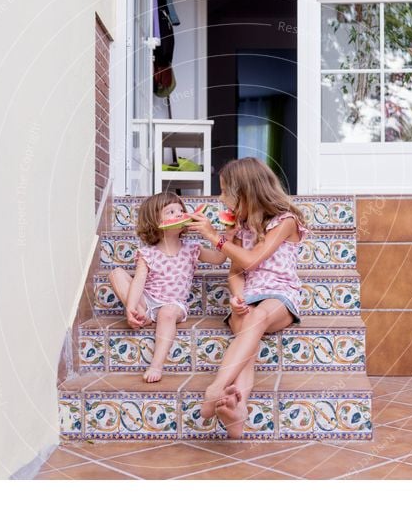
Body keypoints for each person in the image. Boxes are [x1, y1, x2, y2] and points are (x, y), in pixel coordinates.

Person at [188, 158, 307, 438]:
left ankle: (216, 387)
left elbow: (252, 261)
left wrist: (214, 236)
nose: (221, 198)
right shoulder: (240, 228)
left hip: (280, 295)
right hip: (249, 298)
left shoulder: (285, 222)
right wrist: (237, 297)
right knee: (248, 341)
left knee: (258, 316)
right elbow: (236, 272)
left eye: (226, 191)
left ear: (246, 192)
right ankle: (237, 415)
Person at [108, 193, 226, 382]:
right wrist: (131, 307)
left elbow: (220, 259)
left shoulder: (192, 248)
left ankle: (156, 365)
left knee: (167, 312)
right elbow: (138, 281)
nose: (179, 214)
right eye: (171, 211)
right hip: (148, 301)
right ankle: (140, 316)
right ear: (154, 220)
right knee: (116, 274)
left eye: (181, 210)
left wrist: (221, 235)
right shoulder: (147, 253)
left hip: (174, 304)